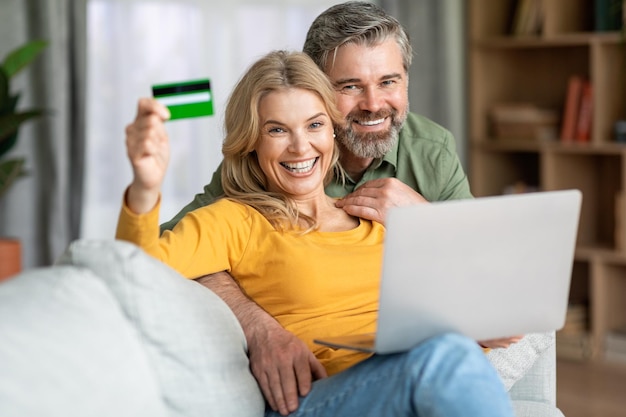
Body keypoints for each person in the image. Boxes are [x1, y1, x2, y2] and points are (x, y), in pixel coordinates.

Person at [117, 49, 514, 417]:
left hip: (416, 382)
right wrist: (145, 188)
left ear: (334, 133)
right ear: (252, 141)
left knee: (453, 350)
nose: (300, 146)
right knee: (445, 355)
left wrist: (485, 321)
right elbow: (136, 271)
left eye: (314, 125)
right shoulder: (235, 220)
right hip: (322, 397)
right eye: (277, 130)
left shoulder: (374, 217)